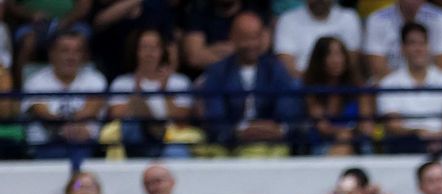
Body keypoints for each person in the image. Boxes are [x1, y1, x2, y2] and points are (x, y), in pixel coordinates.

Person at [198, 13, 302, 151]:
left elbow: (288, 110)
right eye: (246, 38)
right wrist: (239, 131)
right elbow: (215, 115)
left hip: (271, 143)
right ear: (233, 37)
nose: (252, 44)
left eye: (256, 37)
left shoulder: (276, 69)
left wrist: (277, 129)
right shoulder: (218, 72)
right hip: (230, 146)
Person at [107, 29, 194, 160]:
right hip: (135, 143)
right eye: (144, 47)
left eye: (154, 48)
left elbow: (181, 119)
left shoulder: (179, 82)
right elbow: (117, 116)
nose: (149, 53)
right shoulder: (121, 83)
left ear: (162, 51)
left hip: (169, 141)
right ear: (136, 51)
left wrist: (165, 91)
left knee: (177, 152)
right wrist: (137, 92)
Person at [377, 23, 442, 154]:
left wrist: (438, 137)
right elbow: (392, 125)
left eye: (422, 43)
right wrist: (418, 133)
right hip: (407, 143)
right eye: (412, 43)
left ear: (428, 47)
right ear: (402, 49)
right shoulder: (389, 83)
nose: (418, 49)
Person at [23, 31, 107, 159]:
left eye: (77, 51)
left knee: (82, 166)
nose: (71, 57)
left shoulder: (96, 79)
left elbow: (91, 109)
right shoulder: (35, 81)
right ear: (52, 54)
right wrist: (65, 128)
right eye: (65, 51)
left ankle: (79, 178)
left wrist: (66, 126)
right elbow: (41, 112)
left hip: (85, 146)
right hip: (46, 147)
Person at [301, 36, 370, 156]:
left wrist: (349, 133)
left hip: (357, 144)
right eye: (330, 55)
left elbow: (367, 127)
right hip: (324, 145)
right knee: (343, 141)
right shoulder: (312, 90)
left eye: (339, 54)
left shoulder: (359, 88)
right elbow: (322, 127)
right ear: (320, 60)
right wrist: (343, 132)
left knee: (347, 141)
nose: (336, 60)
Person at [363, 0, 442, 80]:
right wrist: (403, 85)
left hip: (430, 85)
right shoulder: (377, 19)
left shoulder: (440, 17)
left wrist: (421, 85)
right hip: (390, 86)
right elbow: (378, 67)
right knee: (369, 90)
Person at [274, 0, 362, 77]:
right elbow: (287, 65)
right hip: (301, 84)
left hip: (339, 83)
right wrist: (314, 82)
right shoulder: (287, 19)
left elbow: (352, 61)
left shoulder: (349, 17)